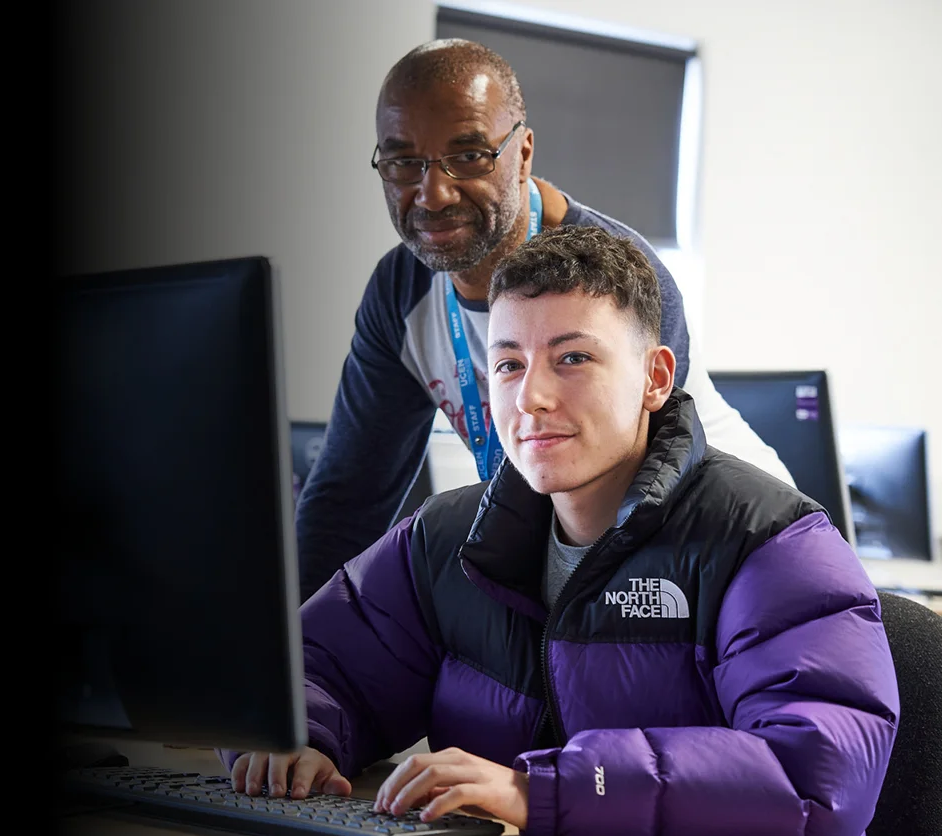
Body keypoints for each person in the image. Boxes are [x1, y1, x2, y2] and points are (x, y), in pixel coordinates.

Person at [221, 225, 898, 835]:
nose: (531, 397)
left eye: (572, 358)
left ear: (654, 377)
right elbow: (312, 671)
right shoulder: (445, 540)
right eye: (509, 364)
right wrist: (293, 739)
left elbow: (816, 778)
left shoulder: (771, 542)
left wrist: (548, 789)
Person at [295, 38, 794, 601]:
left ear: (523, 153)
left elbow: (632, 503)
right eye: (403, 162)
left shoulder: (613, 272)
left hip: (732, 553)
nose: (431, 194)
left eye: (468, 155)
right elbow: (347, 500)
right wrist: (295, 655)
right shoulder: (400, 291)